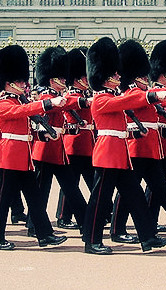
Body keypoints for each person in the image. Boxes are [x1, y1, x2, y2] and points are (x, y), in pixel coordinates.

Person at [82, 37, 166, 254]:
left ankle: (148, 238)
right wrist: (151, 96)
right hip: (107, 155)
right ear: (104, 77)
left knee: (136, 197)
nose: (118, 76)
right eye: (114, 74)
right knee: (100, 200)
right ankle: (91, 241)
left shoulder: (113, 95)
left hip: (120, 155)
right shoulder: (101, 99)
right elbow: (127, 102)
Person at [110, 39, 166, 243]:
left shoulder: (142, 92)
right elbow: (151, 97)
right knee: (127, 193)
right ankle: (117, 229)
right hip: (136, 149)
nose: (146, 79)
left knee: (161, 188)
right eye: (142, 76)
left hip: (150, 149)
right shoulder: (132, 93)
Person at [0, 45, 67, 250]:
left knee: (35, 198)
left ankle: (45, 234)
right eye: (19, 81)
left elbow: (25, 128)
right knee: (3, 201)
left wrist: (42, 132)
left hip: (23, 158)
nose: (23, 84)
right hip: (9, 159)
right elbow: (22, 111)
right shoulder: (4, 103)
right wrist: (47, 104)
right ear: (9, 83)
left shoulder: (19, 101)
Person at [28, 46, 88, 236]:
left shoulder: (56, 96)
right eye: (61, 78)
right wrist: (81, 102)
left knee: (71, 188)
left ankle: (85, 223)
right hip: (45, 150)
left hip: (56, 150)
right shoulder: (47, 95)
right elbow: (54, 105)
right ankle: (34, 226)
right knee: (41, 192)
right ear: (52, 79)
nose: (64, 81)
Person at [55, 47, 95, 230]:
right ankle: (63, 216)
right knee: (71, 184)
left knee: (92, 180)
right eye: (85, 78)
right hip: (74, 144)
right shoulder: (72, 95)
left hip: (87, 144)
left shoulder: (85, 94)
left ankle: (103, 211)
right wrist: (86, 102)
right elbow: (69, 104)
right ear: (78, 79)